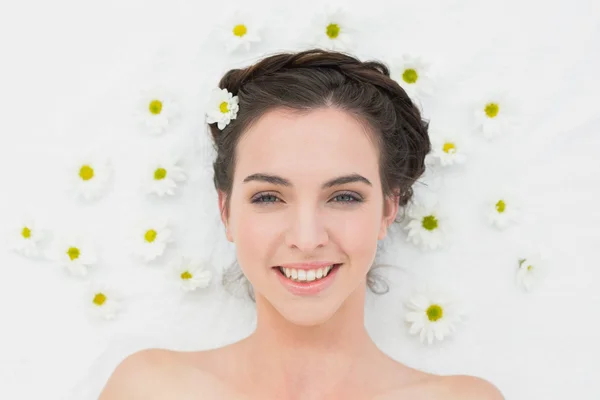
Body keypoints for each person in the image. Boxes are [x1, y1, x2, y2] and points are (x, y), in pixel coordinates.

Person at [98, 48, 504, 399]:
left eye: (344, 196)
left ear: (387, 208)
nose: (307, 240)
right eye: (269, 198)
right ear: (225, 211)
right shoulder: (149, 390)